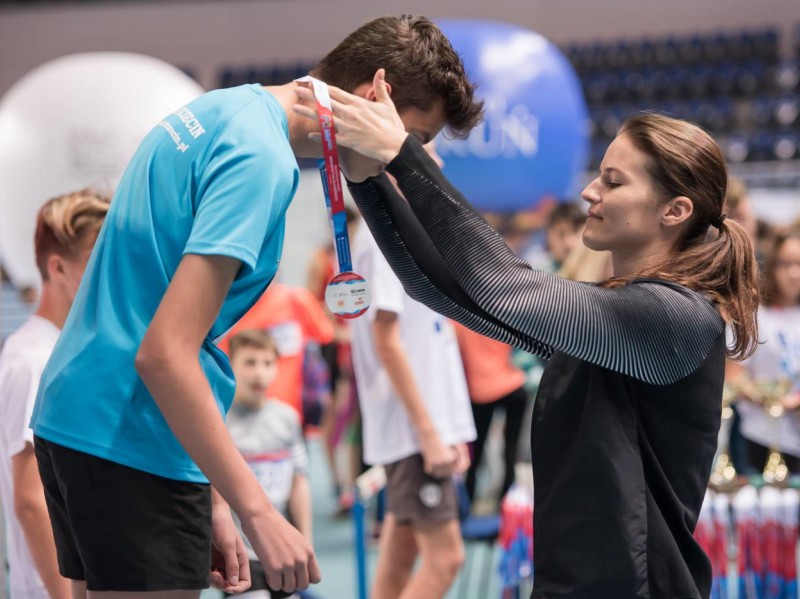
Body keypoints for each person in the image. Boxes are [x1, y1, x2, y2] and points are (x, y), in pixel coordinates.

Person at [30, 16, 483, 598]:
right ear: (377, 97)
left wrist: (210, 491)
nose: (405, 161)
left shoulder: (224, 110)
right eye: (413, 141)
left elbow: (151, 309)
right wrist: (259, 512)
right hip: (132, 431)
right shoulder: (261, 161)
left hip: (81, 417)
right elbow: (165, 354)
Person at [294, 77, 760, 598]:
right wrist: (367, 177)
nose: (590, 192)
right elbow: (444, 289)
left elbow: (507, 287)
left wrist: (402, 154)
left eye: (613, 181)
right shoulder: (618, 312)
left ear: (674, 211)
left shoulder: (675, 317)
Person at [348, 140, 476, 599]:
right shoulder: (381, 237)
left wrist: (450, 427)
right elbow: (386, 342)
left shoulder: (402, 230)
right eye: (427, 149)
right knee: (446, 561)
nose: (438, 162)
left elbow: (429, 342)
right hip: (413, 430)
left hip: (422, 425)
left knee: (401, 553)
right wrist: (428, 432)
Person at [0, 190, 109, 599]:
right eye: (96, 262)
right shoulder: (35, 360)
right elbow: (30, 499)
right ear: (58, 267)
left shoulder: (61, 348)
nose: (109, 274)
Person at [224, 329, 311, 599]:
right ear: (231, 365)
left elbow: (298, 482)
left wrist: (305, 541)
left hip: (282, 546)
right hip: (242, 553)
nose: (259, 373)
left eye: (267, 363)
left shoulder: (287, 418)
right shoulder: (219, 421)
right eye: (249, 363)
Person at [728, 226, 800, 473]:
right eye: (784, 264)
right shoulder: (756, 316)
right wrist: (768, 398)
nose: (793, 273)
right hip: (761, 436)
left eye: (799, 264)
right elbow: (734, 374)